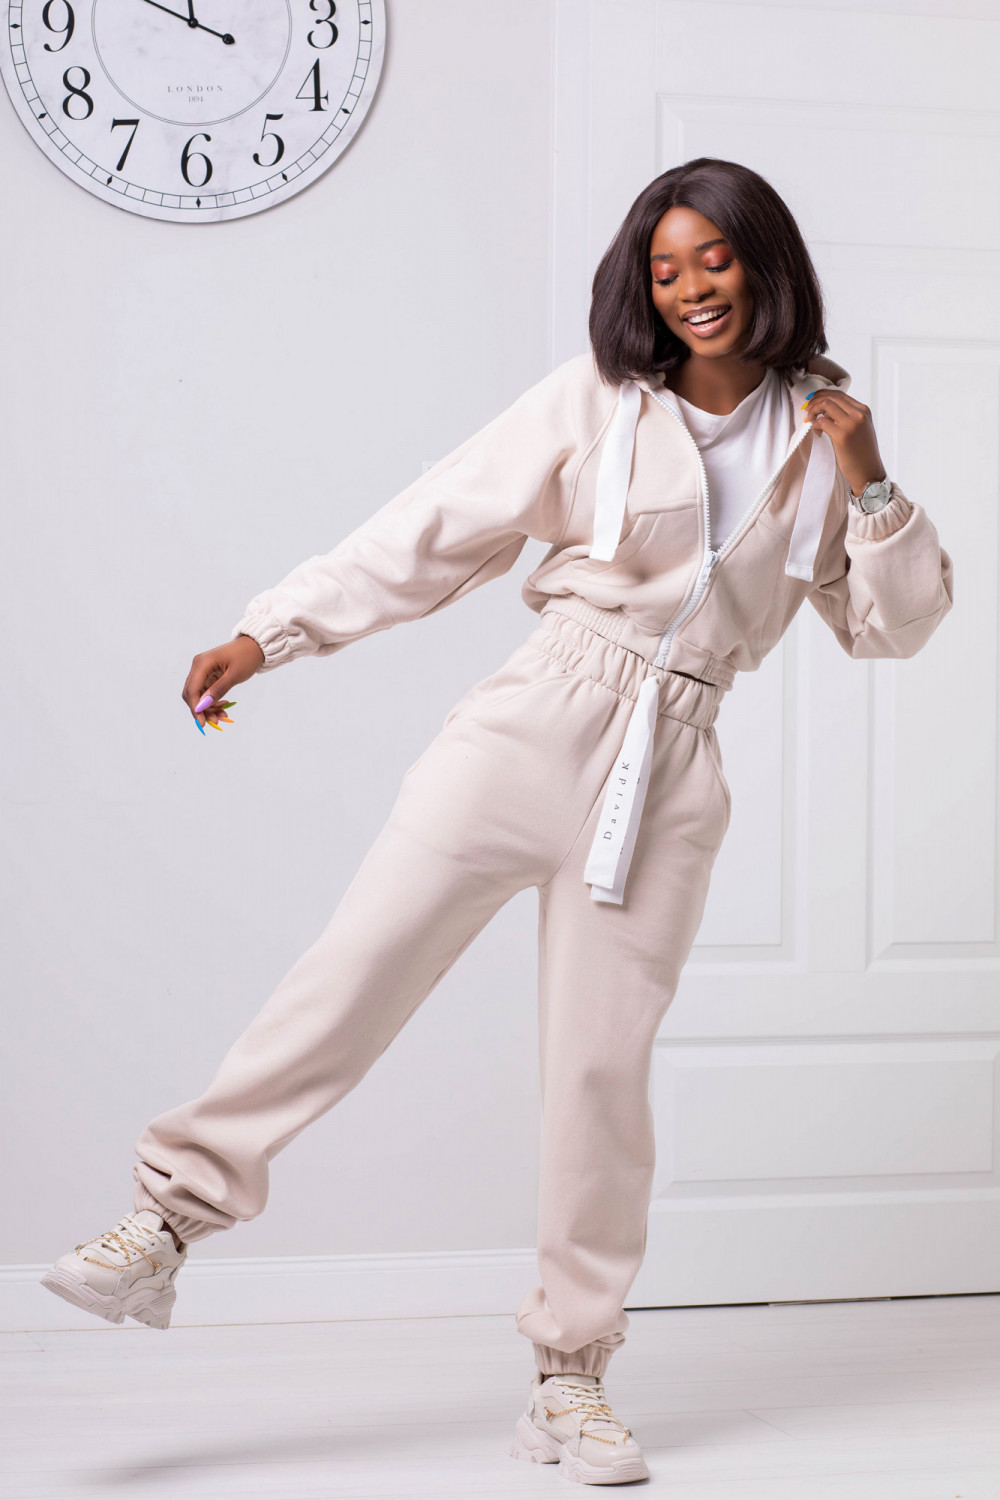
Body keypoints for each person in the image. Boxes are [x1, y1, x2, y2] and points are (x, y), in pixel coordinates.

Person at [41, 157, 953, 1487]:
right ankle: (163, 1227)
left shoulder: (824, 436)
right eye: (665, 267)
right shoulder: (599, 401)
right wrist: (272, 632)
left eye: (714, 258)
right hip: (533, 722)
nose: (691, 287)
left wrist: (868, 474)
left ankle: (570, 1380)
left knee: (599, 1078)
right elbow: (438, 524)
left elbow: (894, 627)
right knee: (355, 973)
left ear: (766, 261)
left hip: (673, 770)